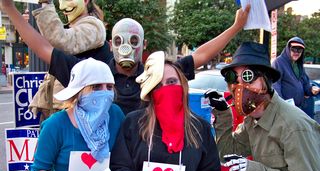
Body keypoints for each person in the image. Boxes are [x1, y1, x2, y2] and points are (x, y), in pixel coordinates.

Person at [0, 0, 250, 115]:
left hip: (140, 165)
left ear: (144, 45)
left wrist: (235, 27)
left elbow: (199, 55)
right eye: (119, 41)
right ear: (111, 43)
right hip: (102, 165)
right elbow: (46, 50)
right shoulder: (94, 73)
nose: (126, 48)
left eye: (133, 41)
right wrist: (10, 9)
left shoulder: (156, 74)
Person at [205, 42, 320, 171]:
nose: (239, 86)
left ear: (265, 81)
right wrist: (223, 114)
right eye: (233, 78)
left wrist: (253, 169)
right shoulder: (253, 121)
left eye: (248, 76)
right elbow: (227, 154)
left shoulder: (293, 125)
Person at [109, 51, 221, 171]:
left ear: (183, 85)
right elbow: (118, 168)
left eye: (171, 82)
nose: (166, 89)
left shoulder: (200, 128)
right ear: (151, 92)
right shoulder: (133, 123)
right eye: (158, 85)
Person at [30, 58, 124, 171]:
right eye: (96, 87)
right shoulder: (55, 125)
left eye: (109, 87)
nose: (105, 93)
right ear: (80, 92)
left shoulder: (116, 115)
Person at [29, 0, 112, 121]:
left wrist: (46, 5)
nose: (63, 5)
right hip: (55, 107)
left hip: (72, 108)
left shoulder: (94, 27)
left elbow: (60, 41)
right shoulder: (71, 27)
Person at [272, 37, 320, 118]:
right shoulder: (278, 62)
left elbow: (305, 85)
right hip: (285, 111)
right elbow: (275, 86)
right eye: (294, 49)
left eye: (300, 50)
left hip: (298, 109)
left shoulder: (299, 65)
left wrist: (311, 90)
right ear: (288, 49)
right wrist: (282, 107)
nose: (297, 52)